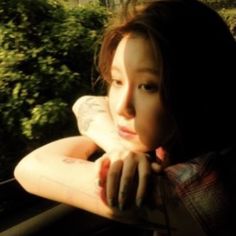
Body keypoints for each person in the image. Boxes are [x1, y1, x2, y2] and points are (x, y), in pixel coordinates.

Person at [14, 0, 236, 235]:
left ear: (200, 92)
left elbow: (31, 166)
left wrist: (117, 153)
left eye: (148, 86)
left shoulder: (209, 187)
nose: (122, 107)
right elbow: (86, 103)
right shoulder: (181, 143)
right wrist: (118, 148)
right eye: (117, 81)